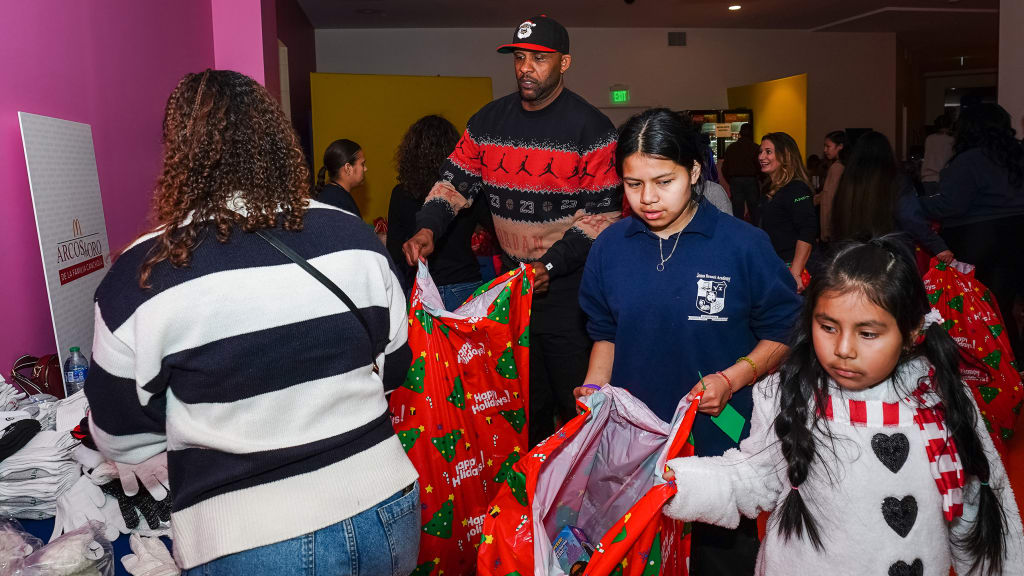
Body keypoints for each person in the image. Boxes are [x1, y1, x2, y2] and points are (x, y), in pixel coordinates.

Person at [84, 70, 419, 574]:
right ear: (278, 142)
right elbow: (395, 366)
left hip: (250, 537)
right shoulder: (356, 239)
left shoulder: (145, 273)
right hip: (387, 510)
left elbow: (119, 434)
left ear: (181, 153)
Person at [661, 236, 1024, 575]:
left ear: (913, 331)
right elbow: (755, 476)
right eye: (828, 327)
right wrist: (679, 483)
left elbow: (979, 514)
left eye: (868, 334)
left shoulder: (941, 399)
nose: (844, 349)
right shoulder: (791, 393)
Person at [575, 108, 802, 575]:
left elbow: (786, 330)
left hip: (720, 444)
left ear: (695, 172)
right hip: (635, 446)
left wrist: (733, 377)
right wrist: (595, 391)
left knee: (719, 561)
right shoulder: (610, 247)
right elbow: (605, 334)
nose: (647, 199)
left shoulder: (742, 244)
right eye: (633, 184)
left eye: (663, 181)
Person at [402, 15, 622, 445]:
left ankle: (585, 498)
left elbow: (601, 215)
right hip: (511, 292)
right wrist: (428, 228)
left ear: (565, 63)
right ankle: (532, 496)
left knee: (577, 403)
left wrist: (550, 265)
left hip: (569, 292)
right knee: (524, 405)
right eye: (520, 58)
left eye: (539, 59)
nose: (526, 67)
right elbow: (453, 183)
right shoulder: (488, 122)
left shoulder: (590, 128)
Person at [920, 103, 1024, 359]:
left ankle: (978, 365)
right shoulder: (1017, 155)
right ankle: (1011, 364)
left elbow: (950, 205)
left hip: (978, 238)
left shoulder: (970, 160)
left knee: (974, 309)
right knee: (1003, 306)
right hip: (1017, 236)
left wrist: (913, 203)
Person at [387, 115, 484, 307]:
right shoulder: (464, 189)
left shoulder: (401, 193)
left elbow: (395, 252)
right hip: (464, 283)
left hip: (422, 289)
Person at [830, 130, 952, 263]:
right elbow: (909, 217)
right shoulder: (895, 181)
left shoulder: (848, 181)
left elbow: (837, 217)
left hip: (852, 254)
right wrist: (938, 245)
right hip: (890, 256)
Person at [758, 132, 817, 292]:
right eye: (761, 151)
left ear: (785, 156)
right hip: (775, 264)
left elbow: (807, 230)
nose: (761, 156)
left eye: (768, 151)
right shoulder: (769, 189)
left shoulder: (797, 189)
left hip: (791, 268)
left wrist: (796, 272)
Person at [721, 123, 761, 222]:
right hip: (751, 180)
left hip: (735, 180)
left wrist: (731, 180)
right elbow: (759, 166)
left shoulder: (732, 148)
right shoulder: (755, 148)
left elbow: (725, 168)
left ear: (740, 134)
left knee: (737, 209)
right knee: (754, 209)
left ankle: (739, 232)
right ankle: (755, 231)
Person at [316, 138, 366, 217]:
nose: (365, 169)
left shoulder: (334, 194)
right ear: (348, 168)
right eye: (362, 164)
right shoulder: (337, 203)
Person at [816, 130, 847, 242]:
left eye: (828, 146)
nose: (825, 150)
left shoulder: (837, 167)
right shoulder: (843, 165)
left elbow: (828, 199)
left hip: (832, 228)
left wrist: (826, 231)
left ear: (840, 147)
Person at [921, 113, 955, 192]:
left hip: (927, 177)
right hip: (943, 178)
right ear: (950, 125)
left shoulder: (929, 138)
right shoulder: (952, 140)